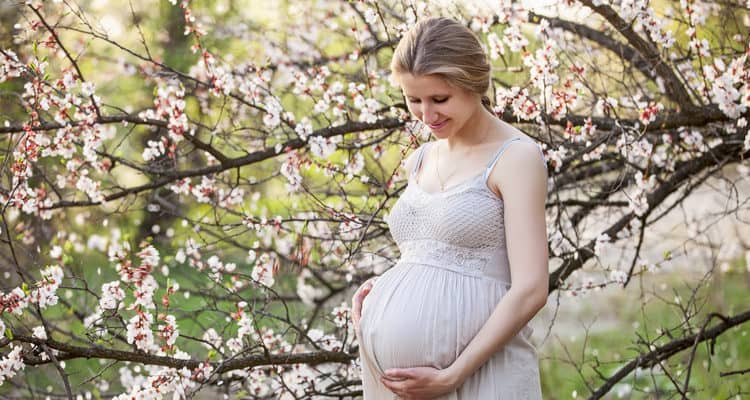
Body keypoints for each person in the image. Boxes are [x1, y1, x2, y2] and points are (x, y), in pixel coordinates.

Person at [351, 16, 549, 399]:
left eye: (440, 99)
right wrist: (385, 289)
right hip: (401, 385)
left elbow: (531, 288)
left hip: (479, 375)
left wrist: (452, 376)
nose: (427, 116)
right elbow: (432, 252)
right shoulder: (421, 159)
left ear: (475, 84)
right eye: (414, 100)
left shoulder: (516, 158)